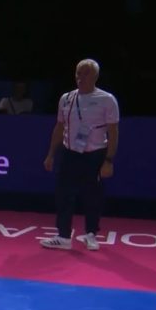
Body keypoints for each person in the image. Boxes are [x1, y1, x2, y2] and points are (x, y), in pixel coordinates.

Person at [40, 59, 119, 251]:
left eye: (85, 74)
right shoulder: (66, 98)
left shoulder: (107, 99)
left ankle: (91, 233)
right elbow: (59, 127)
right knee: (64, 194)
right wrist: (51, 154)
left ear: (95, 76)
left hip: (95, 153)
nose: (80, 77)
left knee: (92, 195)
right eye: (78, 73)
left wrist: (109, 160)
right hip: (69, 152)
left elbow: (113, 131)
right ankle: (63, 236)